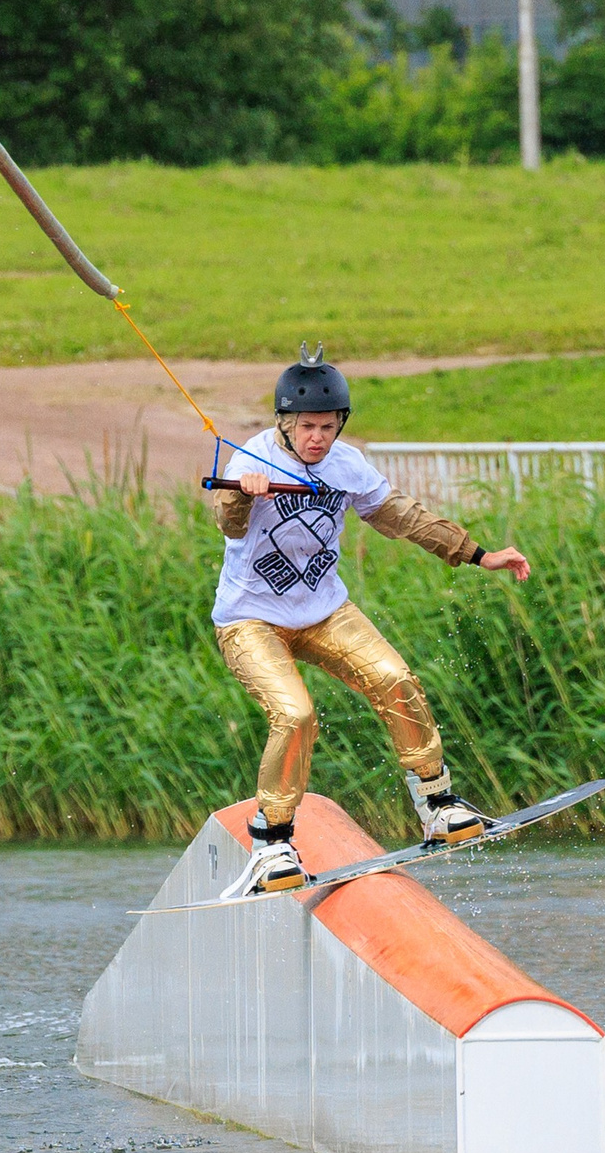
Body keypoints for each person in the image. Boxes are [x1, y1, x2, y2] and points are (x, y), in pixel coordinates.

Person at [208, 345, 533, 895]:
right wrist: (243, 498)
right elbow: (230, 525)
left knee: (395, 679)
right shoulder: (251, 460)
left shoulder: (346, 464)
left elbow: (401, 516)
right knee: (295, 714)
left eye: (328, 427)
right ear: (285, 425)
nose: (318, 438)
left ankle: (436, 805)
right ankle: (272, 845)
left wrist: (478, 554)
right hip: (250, 620)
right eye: (307, 427)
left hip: (325, 611)